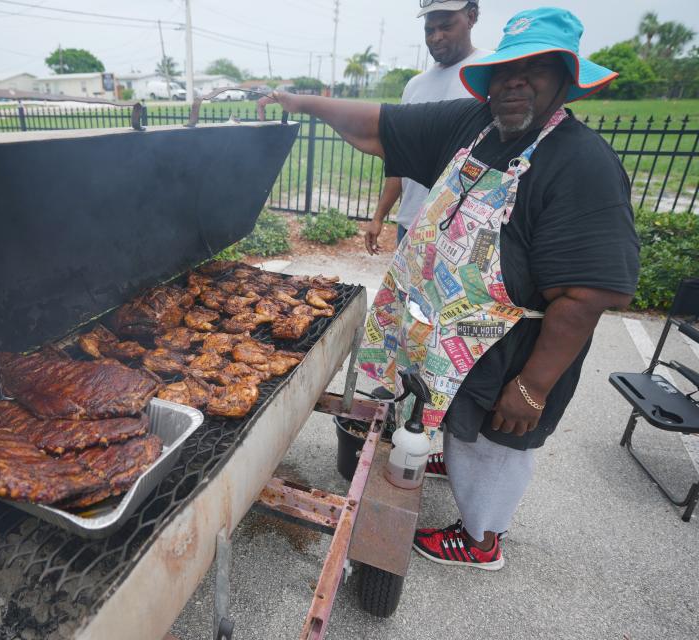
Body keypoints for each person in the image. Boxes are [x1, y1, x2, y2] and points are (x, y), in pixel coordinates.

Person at [259, 7, 640, 570]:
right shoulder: (475, 125)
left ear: (565, 76)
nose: (515, 80)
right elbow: (378, 125)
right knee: (453, 421)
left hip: (511, 351)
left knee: (495, 443)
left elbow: (587, 295)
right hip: (442, 333)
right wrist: (301, 102)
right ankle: (452, 453)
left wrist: (533, 387)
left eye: (535, 68)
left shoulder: (581, 162)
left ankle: (482, 539)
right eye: (506, 68)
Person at [365, 0, 489, 253]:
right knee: (406, 293)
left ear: (472, 17)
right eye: (429, 30)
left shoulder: (491, 72)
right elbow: (400, 158)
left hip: (463, 229)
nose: (436, 37)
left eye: (446, 26)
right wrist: (379, 216)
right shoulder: (415, 86)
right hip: (411, 223)